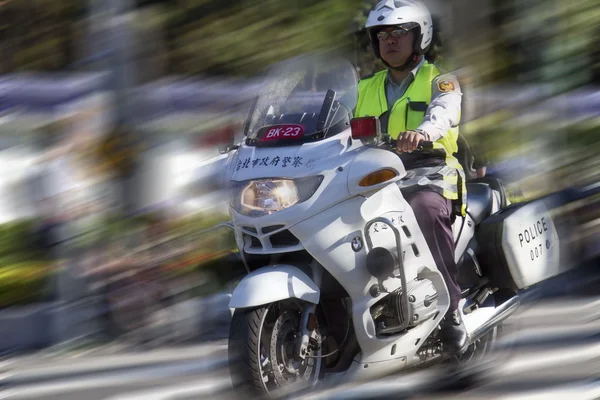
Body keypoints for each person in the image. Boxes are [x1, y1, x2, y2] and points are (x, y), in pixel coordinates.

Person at [355, 0, 468, 354]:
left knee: (425, 209)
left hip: (430, 171)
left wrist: (422, 132)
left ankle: (451, 312)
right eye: (382, 34)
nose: (390, 40)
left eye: (400, 32)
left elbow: (444, 113)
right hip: (375, 178)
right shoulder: (363, 88)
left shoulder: (441, 81)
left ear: (419, 36)